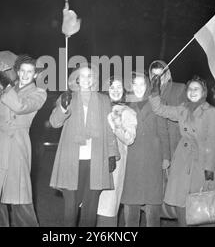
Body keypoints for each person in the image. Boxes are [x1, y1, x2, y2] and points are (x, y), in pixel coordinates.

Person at [0, 55, 47, 227]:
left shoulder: (39, 93)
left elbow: (21, 107)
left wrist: (6, 87)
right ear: (18, 72)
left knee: (20, 195)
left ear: (35, 75)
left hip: (17, 144)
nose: (26, 74)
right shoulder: (7, 88)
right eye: (23, 70)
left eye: (30, 71)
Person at [49, 64, 120, 227]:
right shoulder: (68, 97)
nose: (87, 79)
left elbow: (109, 130)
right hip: (72, 160)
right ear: (77, 79)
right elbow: (54, 123)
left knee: (90, 208)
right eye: (83, 76)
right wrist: (62, 107)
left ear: (94, 79)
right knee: (70, 209)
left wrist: (111, 154)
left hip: (96, 160)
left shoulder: (103, 100)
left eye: (90, 76)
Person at [149, 75, 215, 227]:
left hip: (202, 164)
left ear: (204, 92)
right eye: (190, 89)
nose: (193, 91)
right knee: (181, 205)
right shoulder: (182, 109)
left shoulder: (211, 112)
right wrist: (155, 92)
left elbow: (213, 142)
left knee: (203, 206)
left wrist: (209, 170)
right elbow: (160, 109)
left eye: (197, 89)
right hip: (182, 162)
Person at [120, 72, 169, 227]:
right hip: (131, 161)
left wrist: (166, 157)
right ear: (131, 86)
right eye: (135, 84)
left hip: (153, 159)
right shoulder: (125, 105)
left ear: (147, 85)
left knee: (153, 207)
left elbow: (163, 131)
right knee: (131, 204)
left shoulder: (156, 103)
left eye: (142, 84)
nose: (139, 88)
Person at [96, 77, 137, 227]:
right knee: (92, 206)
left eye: (119, 87)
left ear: (124, 91)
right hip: (96, 162)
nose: (115, 90)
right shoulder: (99, 107)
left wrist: (117, 126)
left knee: (107, 207)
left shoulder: (127, 112)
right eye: (112, 87)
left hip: (114, 165)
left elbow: (129, 139)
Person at [148, 60, 185, 161]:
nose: (158, 79)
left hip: (174, 140)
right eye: (155, 75)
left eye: (160, 75)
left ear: (167, 74)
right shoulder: (148, 92)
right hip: (156, 142)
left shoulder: (180, 89)